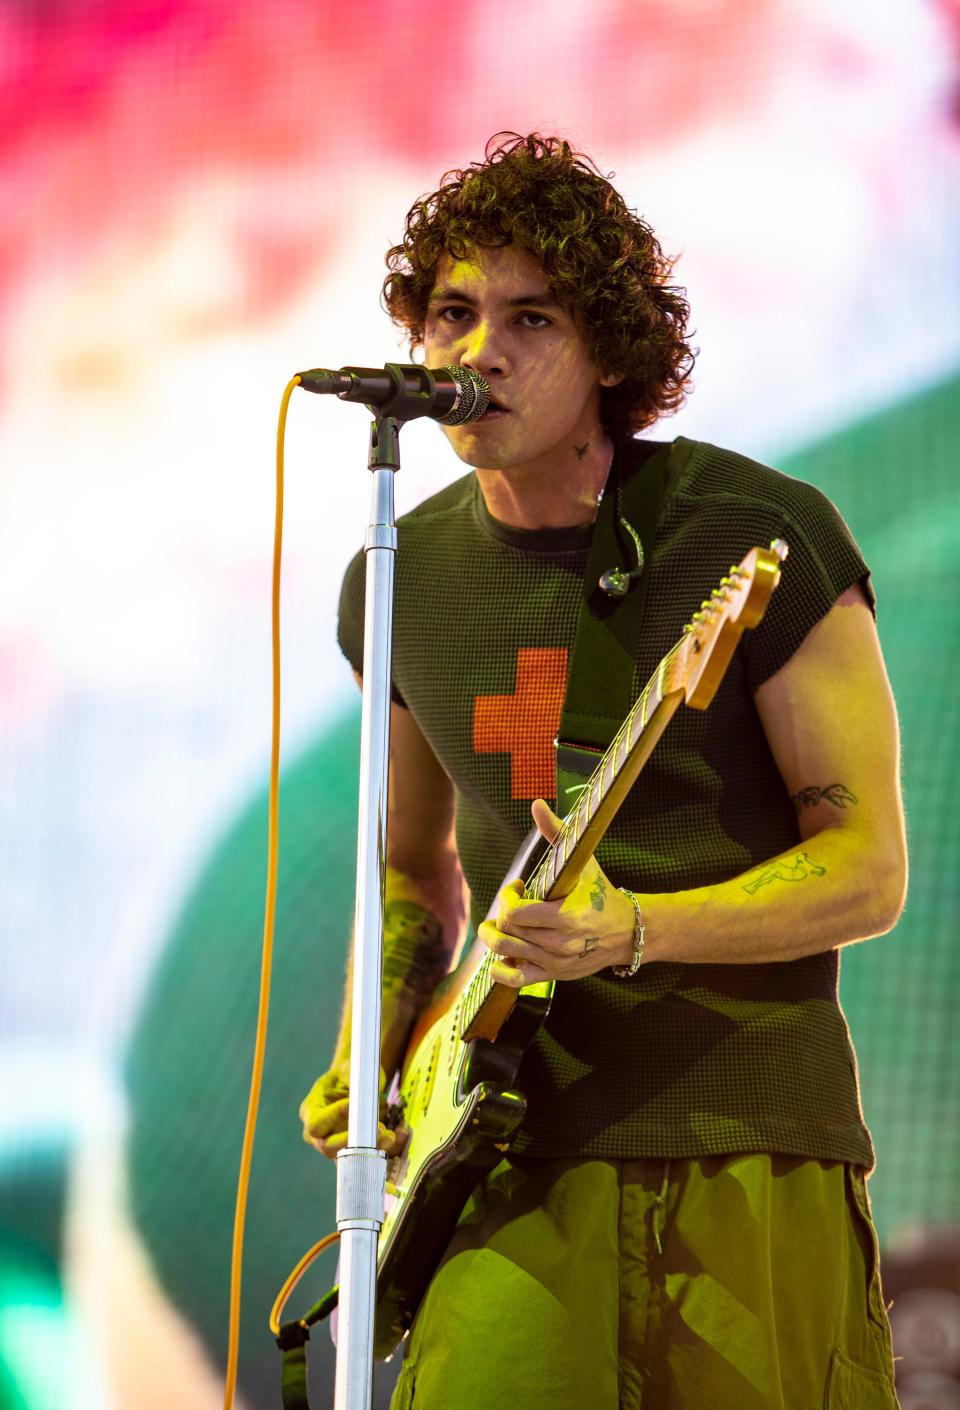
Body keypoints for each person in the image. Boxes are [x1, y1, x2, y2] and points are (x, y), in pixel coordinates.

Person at [300, 133, 906, 1410]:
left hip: (742, 1134)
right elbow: (414, 863)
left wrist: (633, 928)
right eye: (453, 314)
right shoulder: (398, 579)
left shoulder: (749, 534)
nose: (479, 352)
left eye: (532, 317)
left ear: (613, 352)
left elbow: (867, 868)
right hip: (505, 1157)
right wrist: (385, 1045)